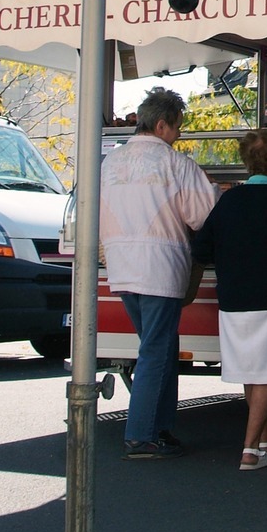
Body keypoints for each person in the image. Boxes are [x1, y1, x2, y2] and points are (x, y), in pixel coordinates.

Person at [99, 87, 218, 460]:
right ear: (162, 124)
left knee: (161, 349)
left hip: (121, 266)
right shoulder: (176, 164)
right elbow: (202, 215)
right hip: (161, 267)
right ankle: (140, 435)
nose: (179, 134)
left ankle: (159, 427)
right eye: (178, 127)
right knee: (155, 350)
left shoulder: (110, 163)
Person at [190, 128, 267, 471]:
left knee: (250, 369)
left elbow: (201, 249)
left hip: (233, 298)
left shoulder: (228, 201)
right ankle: (250, 449)